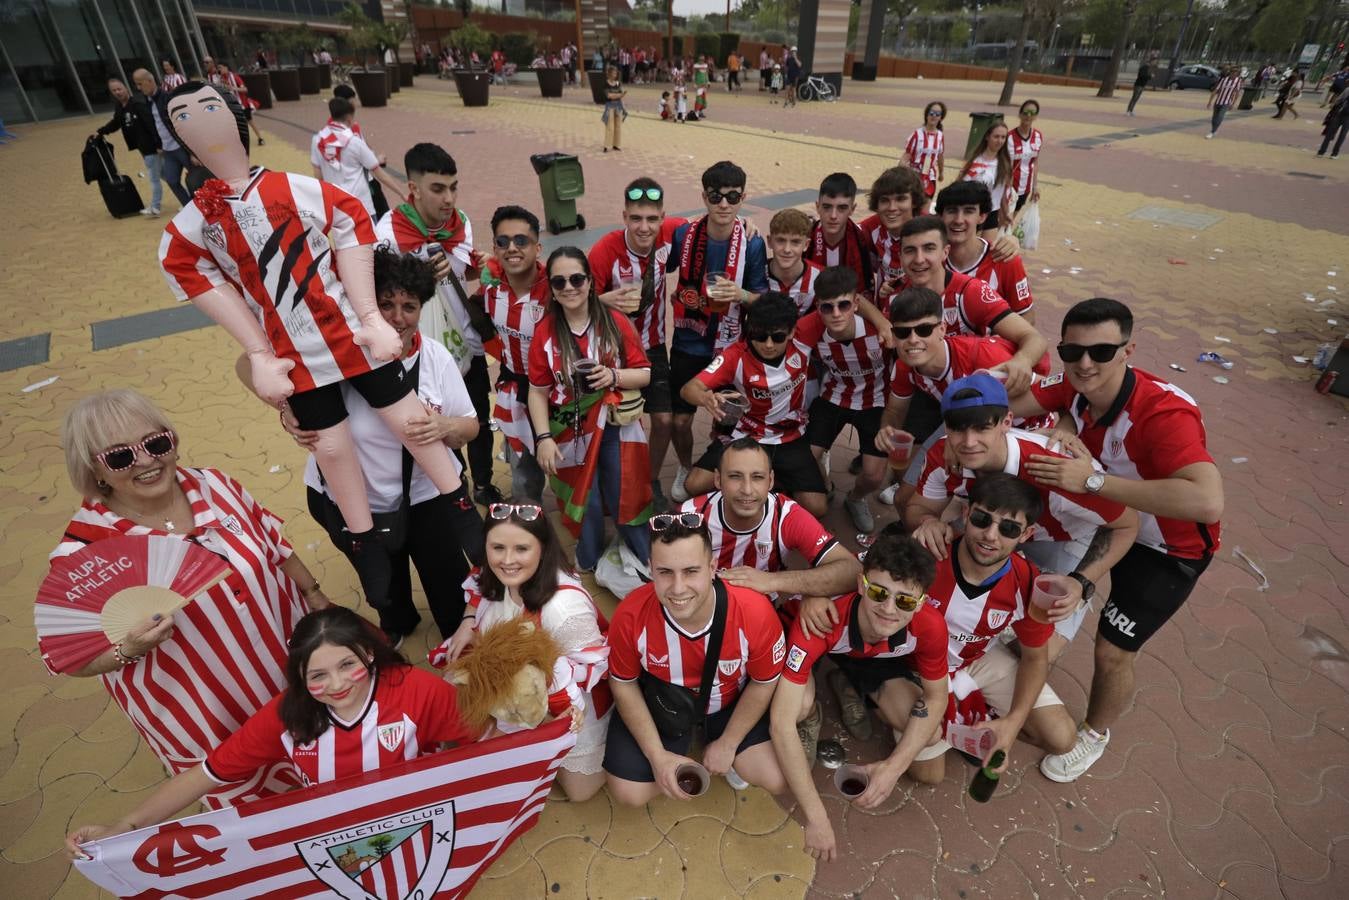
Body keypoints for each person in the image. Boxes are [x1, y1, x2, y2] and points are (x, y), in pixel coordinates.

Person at [48, 389, 331, 810]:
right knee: (259, 808)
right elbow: (70, 659)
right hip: (208, 710)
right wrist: (129, 649)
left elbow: (274, 543)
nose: (146, 461)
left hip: (290, 668)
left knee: (326, 767)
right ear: (95, 470)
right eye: (121, 457)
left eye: (156, 443)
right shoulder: (84, 552)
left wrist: (314, 594)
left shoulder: (214, 484)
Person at [1011, 298, 1223, 782]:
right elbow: (1013, 404)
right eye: (1073, 351)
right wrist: (1051, 414)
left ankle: (1094, 734)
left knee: (1112, 650)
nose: (1085, 363)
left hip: (1166, 547)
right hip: (1103, 522)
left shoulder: (1163, 413)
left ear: (1128, 350)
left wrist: (1092, 481)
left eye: (1101, 352)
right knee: (1041, 604)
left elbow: (1208, 502)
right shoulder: (1077, 383)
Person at [64, 607, 477, 855]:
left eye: (348, 664)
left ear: (369, 654)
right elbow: (206, 774)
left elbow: (482, 741)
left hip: (424, 823)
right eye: (317, 675)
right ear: (298, 676)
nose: (337, 685)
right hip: (342, 837)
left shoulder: (418, 689)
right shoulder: (287, 715)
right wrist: (125, 827)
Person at [278, 250, 485, 645]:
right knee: (387, 593)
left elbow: (470, 426)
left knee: (449, 590)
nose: (397, 317)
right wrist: (285, 410)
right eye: (386, 304)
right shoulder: (336, 358)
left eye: (409, 307)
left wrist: (444, 426)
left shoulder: (434, 357)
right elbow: (250, 363)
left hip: (426, 497)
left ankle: (456, 644)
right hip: (355, 504)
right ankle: (397, 630)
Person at [903, 373, 1140, 662]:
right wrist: (928, 522)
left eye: (982, 428)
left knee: (1041, 650)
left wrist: (1081, 581)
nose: (969, 442)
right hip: (991, 523)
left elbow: (1127, 525)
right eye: (958, 429)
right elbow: (918, 509)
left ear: (1007, 422)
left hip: (1062, 536)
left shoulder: (1054, 467)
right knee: (918, 576)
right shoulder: (945, 453)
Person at [770, 533, 949, 860]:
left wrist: (893, 769)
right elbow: (780, 725)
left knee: (931, 732)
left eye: (905, 601)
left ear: (922, 603)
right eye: (879, 592)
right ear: (861, 584)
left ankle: (846, 683)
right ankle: (812, 712)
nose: (889, 609)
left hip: (869, 654)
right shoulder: (823, 618)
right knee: (796, 708)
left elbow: (937, 698)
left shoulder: (930, 625)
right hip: (815, 632)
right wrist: (817, 817)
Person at [604, 514, 787, 803]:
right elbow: (623, 683)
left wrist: (729, 743)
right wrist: (657, 757)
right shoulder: (630, 615)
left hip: (729, 703)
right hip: (664, 703)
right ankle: (674, 755)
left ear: (712, 568)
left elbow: (764, 682)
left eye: (691, 571)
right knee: (630, 795)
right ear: (650, 569)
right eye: (665, 572)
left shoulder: (755, 612)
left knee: (775, 777)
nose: (678, 588)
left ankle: (722, 748)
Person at [439, 504, 611, 800]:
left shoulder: (563, 609)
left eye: (521, 549)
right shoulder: (497, 576)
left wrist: (547, 678)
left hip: (568, 699)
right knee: (456, 716)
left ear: (542, 548)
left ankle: (624, 742)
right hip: (513, 692)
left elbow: (595, 666)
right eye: (498, 547)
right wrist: (468, 619)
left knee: (578, 792)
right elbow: (480, 581)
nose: (507, 560)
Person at [919, 475, 1078, 782]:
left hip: (978, 658)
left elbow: (1035, 657)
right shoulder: (931, 553)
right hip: (919, 666)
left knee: (1062, 738)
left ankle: (977, 719)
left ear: (1027, 534)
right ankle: (961, 717)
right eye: (982, 519)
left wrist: (1013, 724)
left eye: (1009, 528)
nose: (991, 536)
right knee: (929, 776)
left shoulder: (1028, 582)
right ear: (966, 513)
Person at [374, 143, 500, 506]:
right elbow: (380, 298)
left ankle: (483, 484)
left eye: (453, 187)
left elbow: (464, 272)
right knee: (439, 426)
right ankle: (454, 488)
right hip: (421, 355)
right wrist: (421, 278)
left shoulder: (461, 223)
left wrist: (480, 266)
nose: (449, 199)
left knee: (477, 418)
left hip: (467, 344)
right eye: (438, 189)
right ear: (413, 188)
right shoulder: (388, 235)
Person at [528, 248, 653, 571]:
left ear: (590, 282)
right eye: (559, 282)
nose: (569, 287)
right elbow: (538, 391)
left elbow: (645, 373)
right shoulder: (545, 331)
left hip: (613, 425)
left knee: (624, 493)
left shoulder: (614, 322)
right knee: (586, 500)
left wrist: (613, 376)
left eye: (576, 279)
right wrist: (543, 438)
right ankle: (590, 557)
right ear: (551, 288)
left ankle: (647, 559)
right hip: (569, 429)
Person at [666, 161, 770, 502]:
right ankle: (685, 466)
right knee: (680, 422)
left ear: (743, 198)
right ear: (704, 197)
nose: (724, 204)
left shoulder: (752, 243)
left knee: (727, 419)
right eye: (715, 197)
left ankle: (720, 470)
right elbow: (651, 254)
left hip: (730, 345)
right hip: (688, 340)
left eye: (732, 197)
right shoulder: (683, 235)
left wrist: (740, 295)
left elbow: (762, 299)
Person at [681, 291, 828, 517]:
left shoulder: (803, 334)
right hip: (746, 434)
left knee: (818, 507)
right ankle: (766, 481)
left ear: (791, 331)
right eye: (759, 336)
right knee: (693, 485)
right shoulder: (734, 355)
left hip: (790, 437)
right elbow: (688, 389)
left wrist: (882, 324)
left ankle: (769, 482)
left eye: (777, 337)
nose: (768, 344)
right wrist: (706, 398)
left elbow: (846, 300)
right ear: (750, 330)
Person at [589, 177, 688, 512]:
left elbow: (709, 225)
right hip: (612, 350)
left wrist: (744, 225)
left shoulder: (672, 233)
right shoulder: (605, 250)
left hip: (653, 346)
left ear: (663, 218)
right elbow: (574, 300)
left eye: (651, 219)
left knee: (663, 421)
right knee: (614, 423)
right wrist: (605, 300)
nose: (644, 227)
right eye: (635, 218)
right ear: (624, 217)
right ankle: (611, 483)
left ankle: (651, 480)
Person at [680, 437, 861, 608]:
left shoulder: (787, 516)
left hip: (760, 613)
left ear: (771, 480)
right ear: (718, 480)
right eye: (735, 476)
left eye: (757, 477)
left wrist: (773, 581)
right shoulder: (689, 516)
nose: (747, 489)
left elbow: (852, 571)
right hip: (702, 608)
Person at [893, 216, 1046, 396]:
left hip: (977, 392)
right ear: (900, 257)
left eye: (929, 249)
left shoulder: (970, 292)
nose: (919, 259)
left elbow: (1033, 337)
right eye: (910, 250)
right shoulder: (894, 294)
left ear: (945, 252)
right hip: (928, 388)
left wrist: (1022, 361)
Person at [796, 267, 892, 532]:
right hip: (834, 395)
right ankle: (826, 486)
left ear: (856, 304)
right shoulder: (809, 329)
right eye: (828, 307)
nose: (836, 313)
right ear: (818, 307)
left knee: (873, 476)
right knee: (806, 457)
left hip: (876, 401)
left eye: (844, 305)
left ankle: (855, 498)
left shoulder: (880, 329)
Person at [482, 205, 550, 502]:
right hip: (514, 393)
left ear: (538, 247)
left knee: (572, 471)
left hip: (558, 395)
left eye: (521, 240)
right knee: (523, 473)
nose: (512, 248)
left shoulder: (558, 289)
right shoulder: (490, 292)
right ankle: (530, 521)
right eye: (503, 241)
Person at [937, 181, 1035, 321]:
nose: (958, 220)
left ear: (982, 216)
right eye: (952, 211)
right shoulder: (930, 259)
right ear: (941, 216)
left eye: (968, 211)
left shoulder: (1004, 259)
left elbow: (1027, 316)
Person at [312, 98, 403, 217]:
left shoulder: (318, 141)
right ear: (349, 119)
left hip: (336, 205)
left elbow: (318, 176)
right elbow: (380, 174)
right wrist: (402, 193)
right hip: (361, 204)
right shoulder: (354, 142)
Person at [92, 78, 162, 217]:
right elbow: (116, 122)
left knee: (154, 177)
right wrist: (101, 132)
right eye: (114, 90)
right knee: (166, 175)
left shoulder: (137, 104)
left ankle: (155, 207)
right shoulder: (120, 106)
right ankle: (188, 199)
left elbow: (151, 124)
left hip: (150, 146)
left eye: (119, 89)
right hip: (141, 147)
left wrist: (158, 144)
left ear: (126, 88)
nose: (117, 92)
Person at [806, 172, 876, 295]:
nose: (833, 216)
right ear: (817, 207)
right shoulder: (805, 237)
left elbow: (864, 291)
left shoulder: (862, 239)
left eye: (842, 208)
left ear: (852, 209)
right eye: (827, 207)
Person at [132, 68, 190, 207]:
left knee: (197, 179)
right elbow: (155, 125)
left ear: (150, 81)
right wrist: (159, 145)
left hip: (181, 147)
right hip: (167, 150)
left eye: (140, 84)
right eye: (136, 84)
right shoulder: (148, 101)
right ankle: (190, 207)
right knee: (171, 180)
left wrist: (192, 151)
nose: (138, 88)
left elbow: (183, 124)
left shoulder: (167, 98)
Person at [958, 121, 1015, 240]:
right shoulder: (976, 161)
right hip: (974, 212)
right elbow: (960, 187)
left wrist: (1006, 213)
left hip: (992, 213)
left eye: (1003, 137)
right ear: (987, 137)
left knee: (988, 247)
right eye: (996, 136)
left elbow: (1003, 192)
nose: (1000, 141)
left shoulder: (1005, 164)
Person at [764, 208, 823, 316]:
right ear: (769, 241)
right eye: (781, 240)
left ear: (806, 245)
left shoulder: (821, 278)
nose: (787, 249)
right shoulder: (755, 274)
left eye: (795, 242)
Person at [901, 101, 946, 209]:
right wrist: (901, 169)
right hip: (914, 176)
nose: (934, 116)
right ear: (926, 114)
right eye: (931, 113)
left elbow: (940, 156)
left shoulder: (940, 136)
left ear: (941, 118)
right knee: (911, 207)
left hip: (930, 177)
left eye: (937, 114)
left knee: (925, 209)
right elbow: (906, 155)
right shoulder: (917, 134)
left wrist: (941, 173)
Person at [215, 62, 265, 146]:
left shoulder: (235, 77)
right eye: (218, 68)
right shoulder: (221, 79)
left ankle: (260, 138)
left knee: (250, 122)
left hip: (243, 104)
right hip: (232, 105)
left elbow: (245, 89)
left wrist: (233, 88)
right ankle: (240, 142)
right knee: (235, 124)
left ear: (226, 68)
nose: (219, 69)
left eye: (220, 67)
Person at [1007, 99, 1042, 215]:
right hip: (1009, 187)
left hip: (1026, 187)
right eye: (1026, 112)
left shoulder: (1038, 136)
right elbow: (1005, 165)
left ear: (1036, 116)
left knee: (1012, 218)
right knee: (1003, 218)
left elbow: (1035, 163)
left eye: (1032, 113)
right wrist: (1007, 188)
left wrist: (1035, 186)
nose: (1028, 116)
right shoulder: (1009, 137)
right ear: (1020, 114)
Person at [1206, 67, 1245, 138]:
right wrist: (1210, 102)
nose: (1234, 75)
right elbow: (1216, 90)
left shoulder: (1237, 81)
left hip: (1226, 102)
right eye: (1233, 73)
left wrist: (1233, 104)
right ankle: (1214, 130)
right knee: (1214, 118)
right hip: (1218, 101)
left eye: (1235, 74)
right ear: (1230, 73)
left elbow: (1237, 93)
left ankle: (1212, 132)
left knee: (1220, 117)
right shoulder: (1224, 80)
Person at [602, 65, 626, 152]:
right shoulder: (606, 84)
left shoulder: (618, 83)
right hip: (610, 106)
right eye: (613, 73)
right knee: (610, 126)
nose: (615, 75)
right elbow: (609, 96)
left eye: (616, 73)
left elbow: (622, 95)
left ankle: (616, 144)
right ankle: (607, 145)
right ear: (609, 74)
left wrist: (623, 106)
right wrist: (619, 95)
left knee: (618, 126)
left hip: (618, 106)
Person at [1317, 91, 1349, 159]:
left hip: (1339, 114)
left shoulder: (1347, 90)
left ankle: (1321, 152)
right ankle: (1334, 154)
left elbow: (1338, 100)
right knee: (1342, 135)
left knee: (1330, 133)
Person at [1126, 52, 1157, 116]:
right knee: (1134, 98)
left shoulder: (1148, 68)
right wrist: (1150, 76)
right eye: (1154, 62)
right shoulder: (1144, 68)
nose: (1155, 63)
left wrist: (1150, 76)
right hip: (1138, 85)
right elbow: (1142, 76)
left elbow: (1145, 76)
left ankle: (1131, 110)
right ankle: (1128, 111)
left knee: (1136, 98)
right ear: (1151, 61)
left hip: (1142, 85)